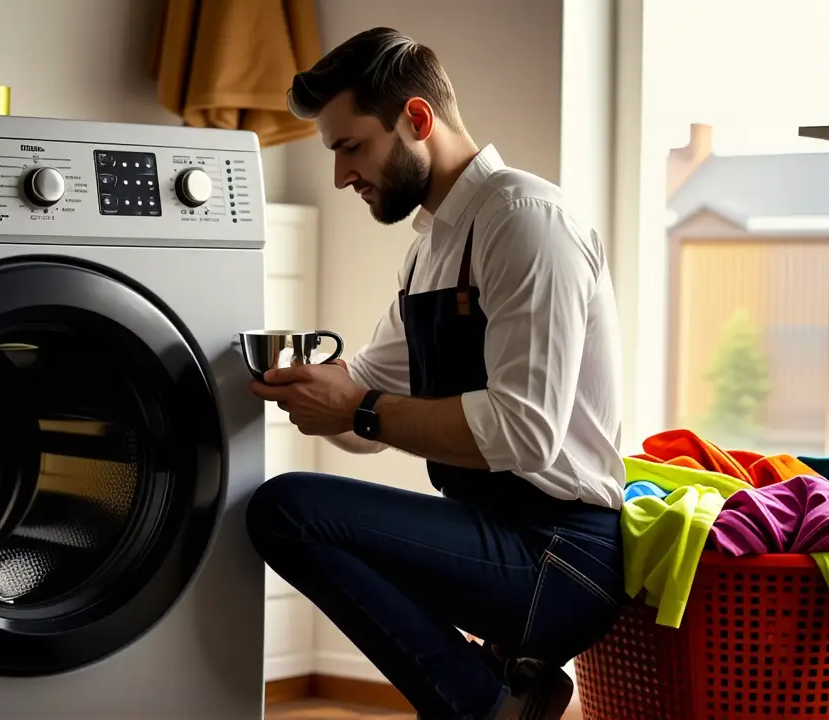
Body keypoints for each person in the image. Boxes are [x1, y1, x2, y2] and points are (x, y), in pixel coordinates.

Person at [246, 27, 626, 720]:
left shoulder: (525, 220)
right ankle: (487, 699)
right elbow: (367, 396)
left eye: (350, 147)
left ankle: (485, 702)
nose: (341, 177)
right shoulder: (432, 249)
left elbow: (524, 433)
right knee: (287, 511)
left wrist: (358, 406)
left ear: (417, 119)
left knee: (285, 510)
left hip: (563, 558)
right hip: (501, 538)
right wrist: (305, 389)